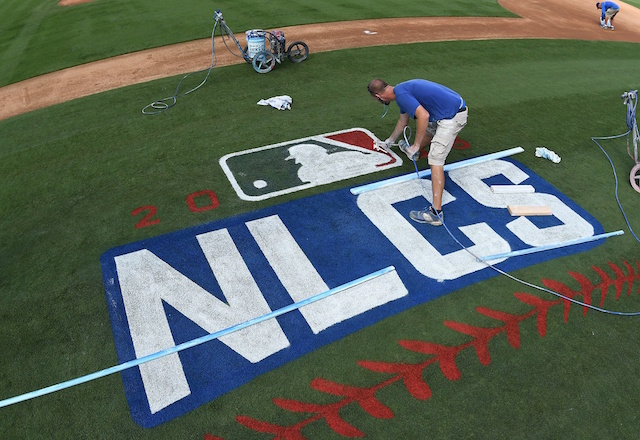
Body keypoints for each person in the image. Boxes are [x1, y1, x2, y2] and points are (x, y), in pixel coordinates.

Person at [367, 78, 468, 226]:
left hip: (452, 115)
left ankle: (436, 214)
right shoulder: (400, 91)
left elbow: (424, 116)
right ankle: (415, 151)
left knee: (435, 160)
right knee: (430, 130)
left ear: (378, 96)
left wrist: (415, 144)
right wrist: (389, 141)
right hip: (447, 109)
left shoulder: (401, 96)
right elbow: (403, 121)